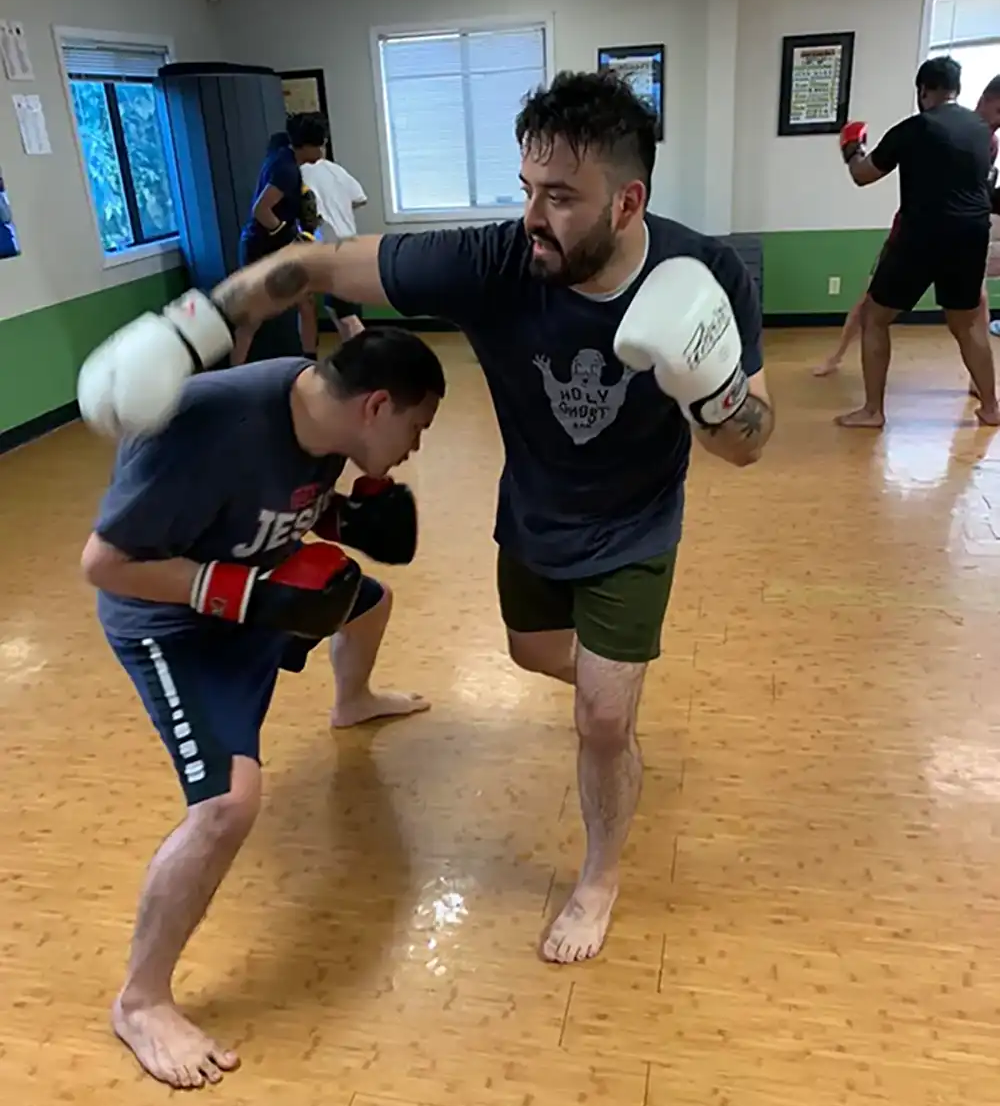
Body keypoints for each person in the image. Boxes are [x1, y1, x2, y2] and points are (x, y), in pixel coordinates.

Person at [75, 69, 776, 969]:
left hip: (636, 525)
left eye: (560, 197)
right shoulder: (497, 263)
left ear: (628, 200)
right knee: (531, 654)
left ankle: (599, 871)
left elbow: (750, 444)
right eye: (528, 189)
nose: (533, 216)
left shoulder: (706, 273)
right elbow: (313, 266)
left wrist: (715, 393)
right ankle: (614, 683)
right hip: (533, 514)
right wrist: (201, 324)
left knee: (602, 718)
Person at [79, 330, 443, 1089]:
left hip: (246, 584)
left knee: (367, 605)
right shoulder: (208, 427)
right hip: (171, 625)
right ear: (377, 406)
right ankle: (141, 1001)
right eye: (416, 429)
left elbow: (277, 503)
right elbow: (105, 565)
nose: (414, 449)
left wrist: (344, 521)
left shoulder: (324, 412)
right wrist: (235, 593)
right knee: (228, 806)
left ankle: (352, 701)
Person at [837, 56, 1000, 427]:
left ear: (923, 91)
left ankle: (873, 412)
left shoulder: (913, 128)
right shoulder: (982, 132)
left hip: (922, 234)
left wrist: (852, 147)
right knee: (969, 324)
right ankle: (992, 408)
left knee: (875, 318)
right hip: (972, 233)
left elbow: (863, 176)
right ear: (956, 91)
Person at [237, 112, 330, 363]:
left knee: (306, 303)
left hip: (273, 247)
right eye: (321, 144)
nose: (323, 150)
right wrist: (290, 236)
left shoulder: (282, 151)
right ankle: (232, 373)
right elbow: (261, 210)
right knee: (252, 317)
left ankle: (309, 361)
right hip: (261, 248)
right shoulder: (286, 170)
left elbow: (277, 139)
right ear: (308, 145)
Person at [301, 153, 369, 340]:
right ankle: (353, 355)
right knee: (335, 307)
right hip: (348, 242)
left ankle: (371, 358)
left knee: (346, 314)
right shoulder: (335, 170)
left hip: (330, 247)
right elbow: (361, 198)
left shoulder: (301, 173)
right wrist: (340, 209)